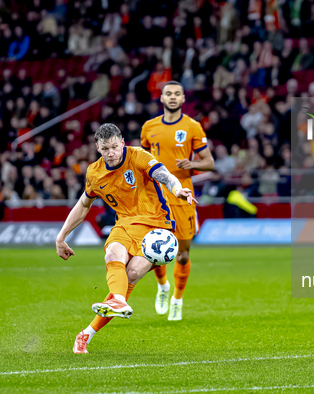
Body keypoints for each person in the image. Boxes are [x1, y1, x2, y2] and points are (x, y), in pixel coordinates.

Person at [56, 123, 195, 354]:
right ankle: (116, 302)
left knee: (131, 273)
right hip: (125, 224)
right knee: (113, 254)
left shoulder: (138, 156)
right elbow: (83, 204)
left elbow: (164, 175)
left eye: (114, 147)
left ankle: (86, 333)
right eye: (105, 148)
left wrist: (178, 189)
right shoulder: (94, 172)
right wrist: (61, 237)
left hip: (156, 225)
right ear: (97, 148)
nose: (111, 152)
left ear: (122, 142)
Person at [140, 81, 215, 321]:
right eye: (168, 94)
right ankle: (162, 287)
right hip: (156, 198)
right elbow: (142, 161)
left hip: (183, 196)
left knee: (182, 255)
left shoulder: (192, 127)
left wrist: (192, 164)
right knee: (154, 250)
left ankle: (177, 299)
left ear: (183, 99)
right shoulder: (149, 127)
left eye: (177, 94)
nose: (172, 98)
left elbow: (210, 163)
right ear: (161, 98)